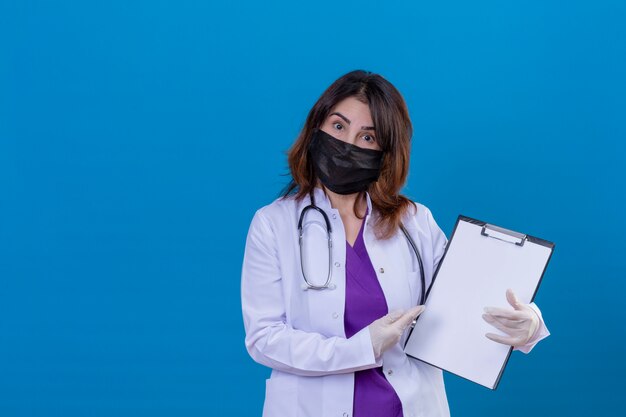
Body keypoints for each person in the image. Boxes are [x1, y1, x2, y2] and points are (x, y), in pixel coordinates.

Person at [240, 70, 549, 417]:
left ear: (386, 150)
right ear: (317, 129)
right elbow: (264, 338)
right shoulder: (273, 225)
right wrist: (362, 348)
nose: (348, 144)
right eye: (338, 127)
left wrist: (530, 326)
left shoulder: (414, 222)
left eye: (367, 137)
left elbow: (469, 301)